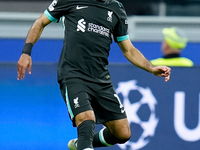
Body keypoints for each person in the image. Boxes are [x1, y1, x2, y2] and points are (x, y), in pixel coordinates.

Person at [17, 0, 171, 150]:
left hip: (100, 79)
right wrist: (26, 52)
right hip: (73, 74)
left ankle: (81, 144)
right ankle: (85, 143)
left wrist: (151, 68)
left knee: (122, 133)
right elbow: (40, 22)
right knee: (86, 117)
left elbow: (128, 50)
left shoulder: (116, 8)